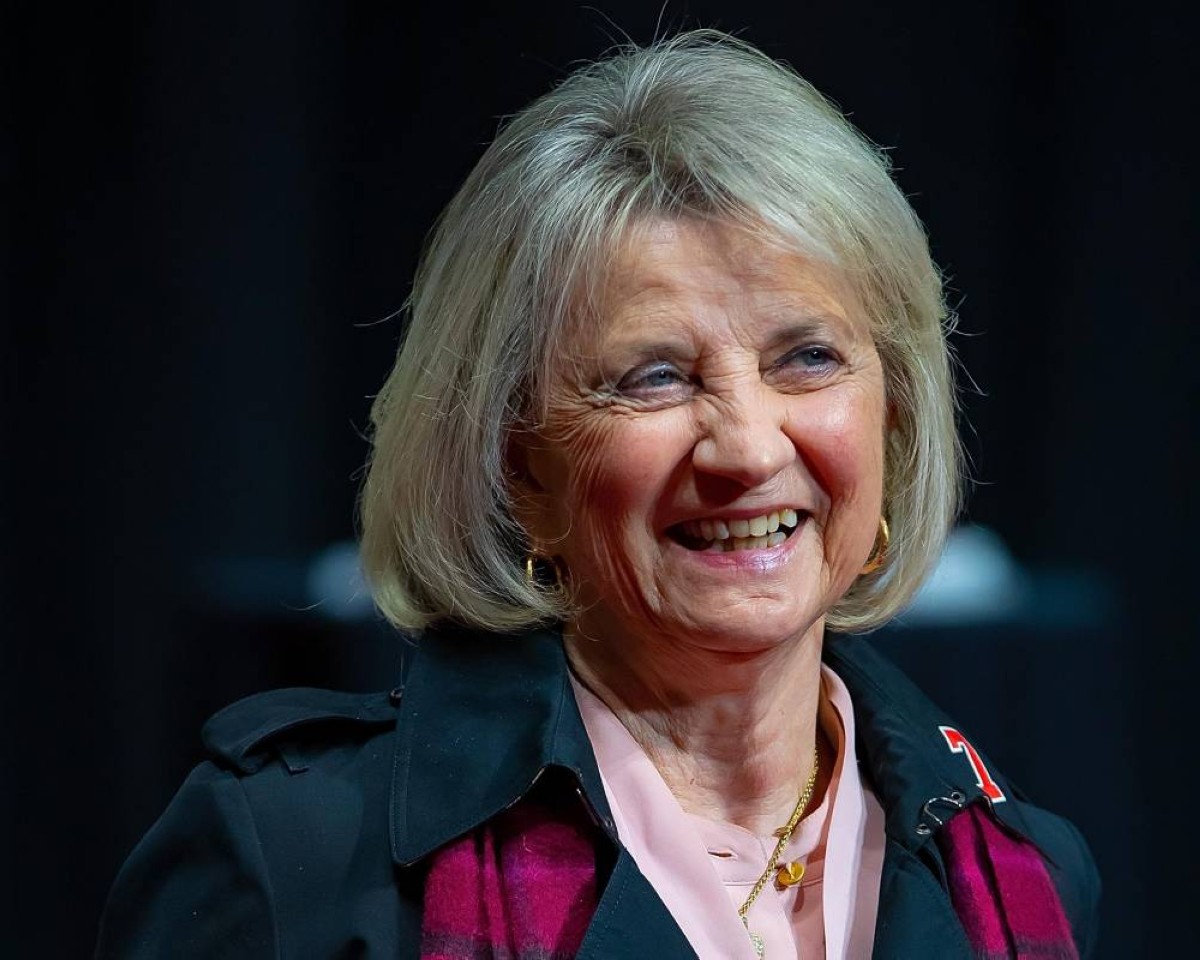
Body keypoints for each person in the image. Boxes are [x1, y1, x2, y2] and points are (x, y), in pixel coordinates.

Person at [97, 31, 1099, 959]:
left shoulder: (1026, 879)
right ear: (518, 466)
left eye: (807, 358)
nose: (748, 447)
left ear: (893, 417)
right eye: (654, 377)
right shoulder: (289, 863)